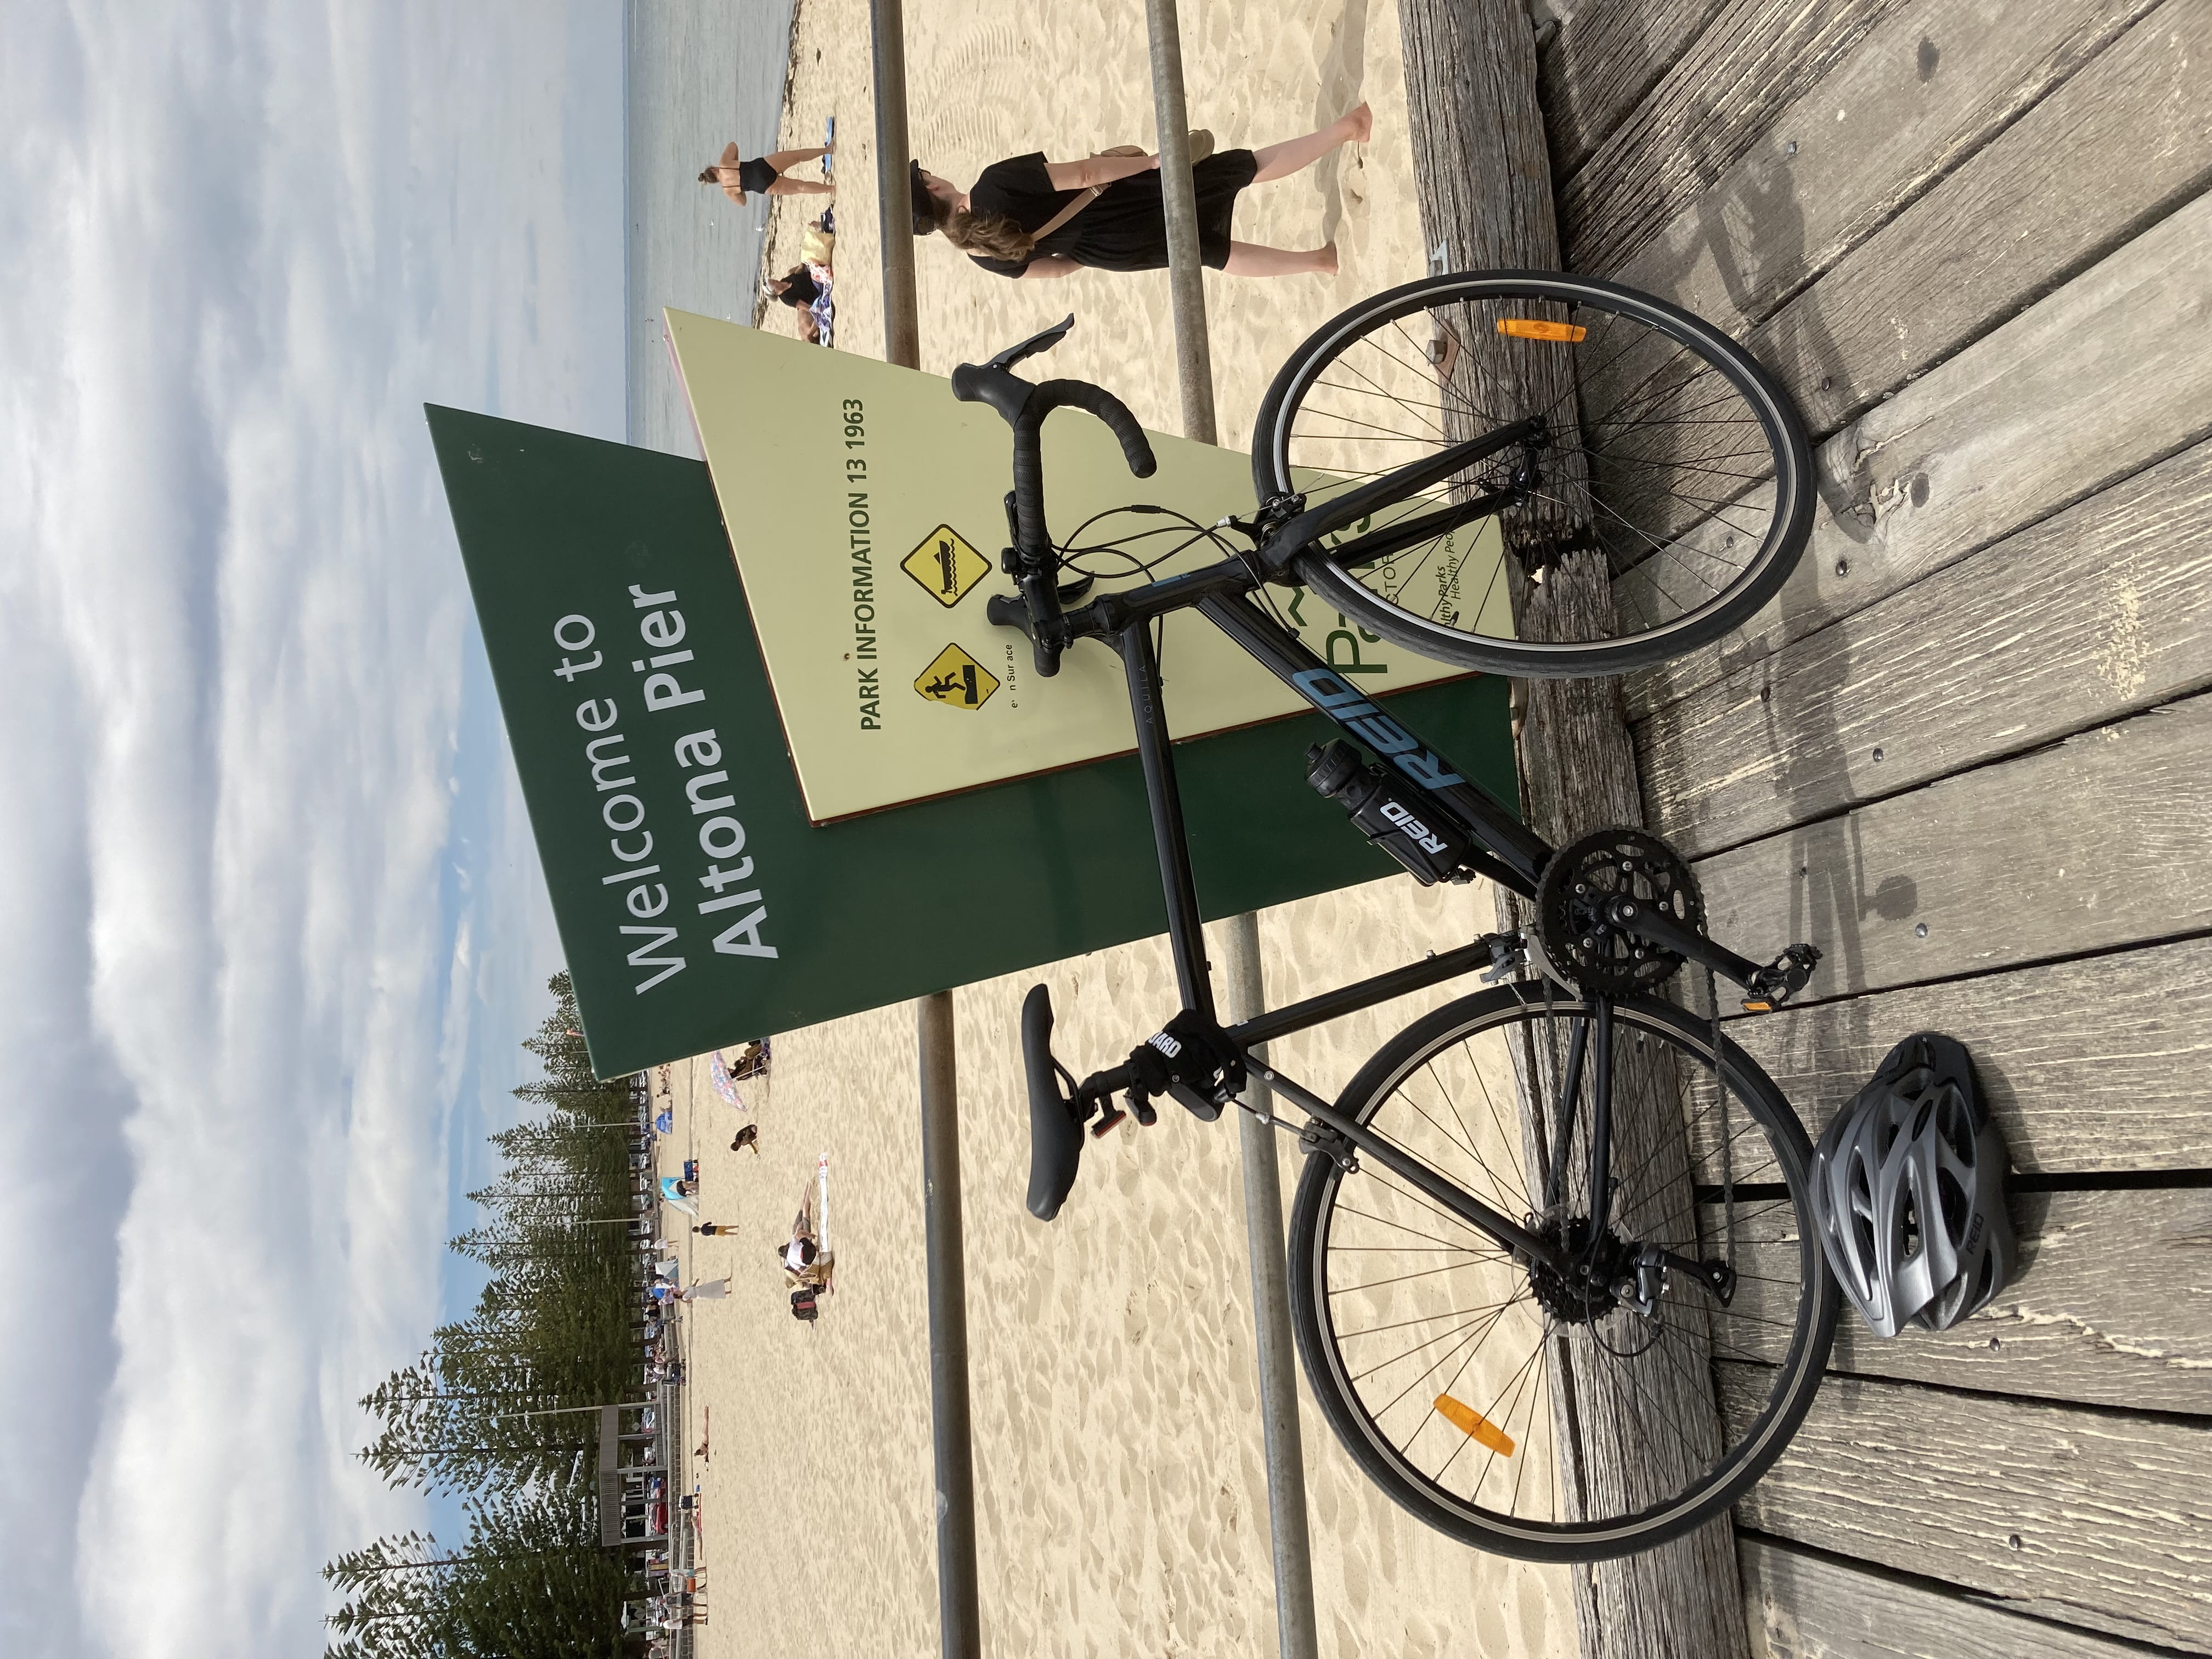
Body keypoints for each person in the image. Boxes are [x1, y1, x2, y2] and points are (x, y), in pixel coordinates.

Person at [910, 103, 1369, 280]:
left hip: (1109, 249)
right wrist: (1148, 163)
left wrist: (1083, 246)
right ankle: (1348, 129)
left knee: (1214, 253)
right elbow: (1086, 175)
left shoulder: (977, 252)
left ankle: (1318, 262)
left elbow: (1054, 273)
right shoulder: (993, 183)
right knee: (1237, 170)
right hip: (1119, 199)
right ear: (932, 186)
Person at [699, 141, 831, 204]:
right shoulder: (724, 164)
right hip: (760, 167)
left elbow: (743, 202)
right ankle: (827, 150)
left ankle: (831, 189)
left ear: (715, 181)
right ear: (713, 169)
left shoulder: (727, 190)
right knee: (797, 157)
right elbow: (733, 146)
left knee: (800, 187)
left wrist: (742, 188)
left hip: (761, 186)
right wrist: (736, 162)